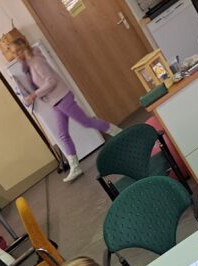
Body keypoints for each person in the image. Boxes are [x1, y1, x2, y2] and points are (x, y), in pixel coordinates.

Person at [12, 39, 121, 183]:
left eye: (18, 51)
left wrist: (34, 95)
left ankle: (119, 133)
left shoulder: (36, 62)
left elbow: (51, 81)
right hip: (56, 102)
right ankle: (75, 167)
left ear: (25, 47)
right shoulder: (29, 65)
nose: (16, 56)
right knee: (63, 135)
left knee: (87, 122)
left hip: (62, 98)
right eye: (14, 53)